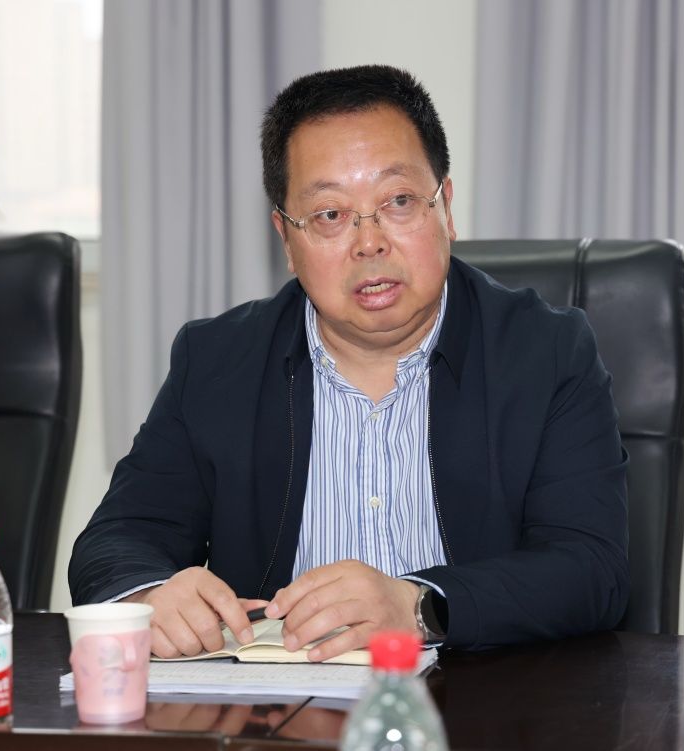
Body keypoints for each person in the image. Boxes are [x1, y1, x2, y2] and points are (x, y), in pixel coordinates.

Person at [69, 64, 629, 660]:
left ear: (446, 207)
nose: (369, 242)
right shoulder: (217, 362)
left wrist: (420, 606)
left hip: (480, 697)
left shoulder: (547, 352)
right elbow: (117, 539)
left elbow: (590, 569)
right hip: (277, 700)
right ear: (287, 239)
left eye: (399, 201)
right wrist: (151, 595)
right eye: (330, 215)